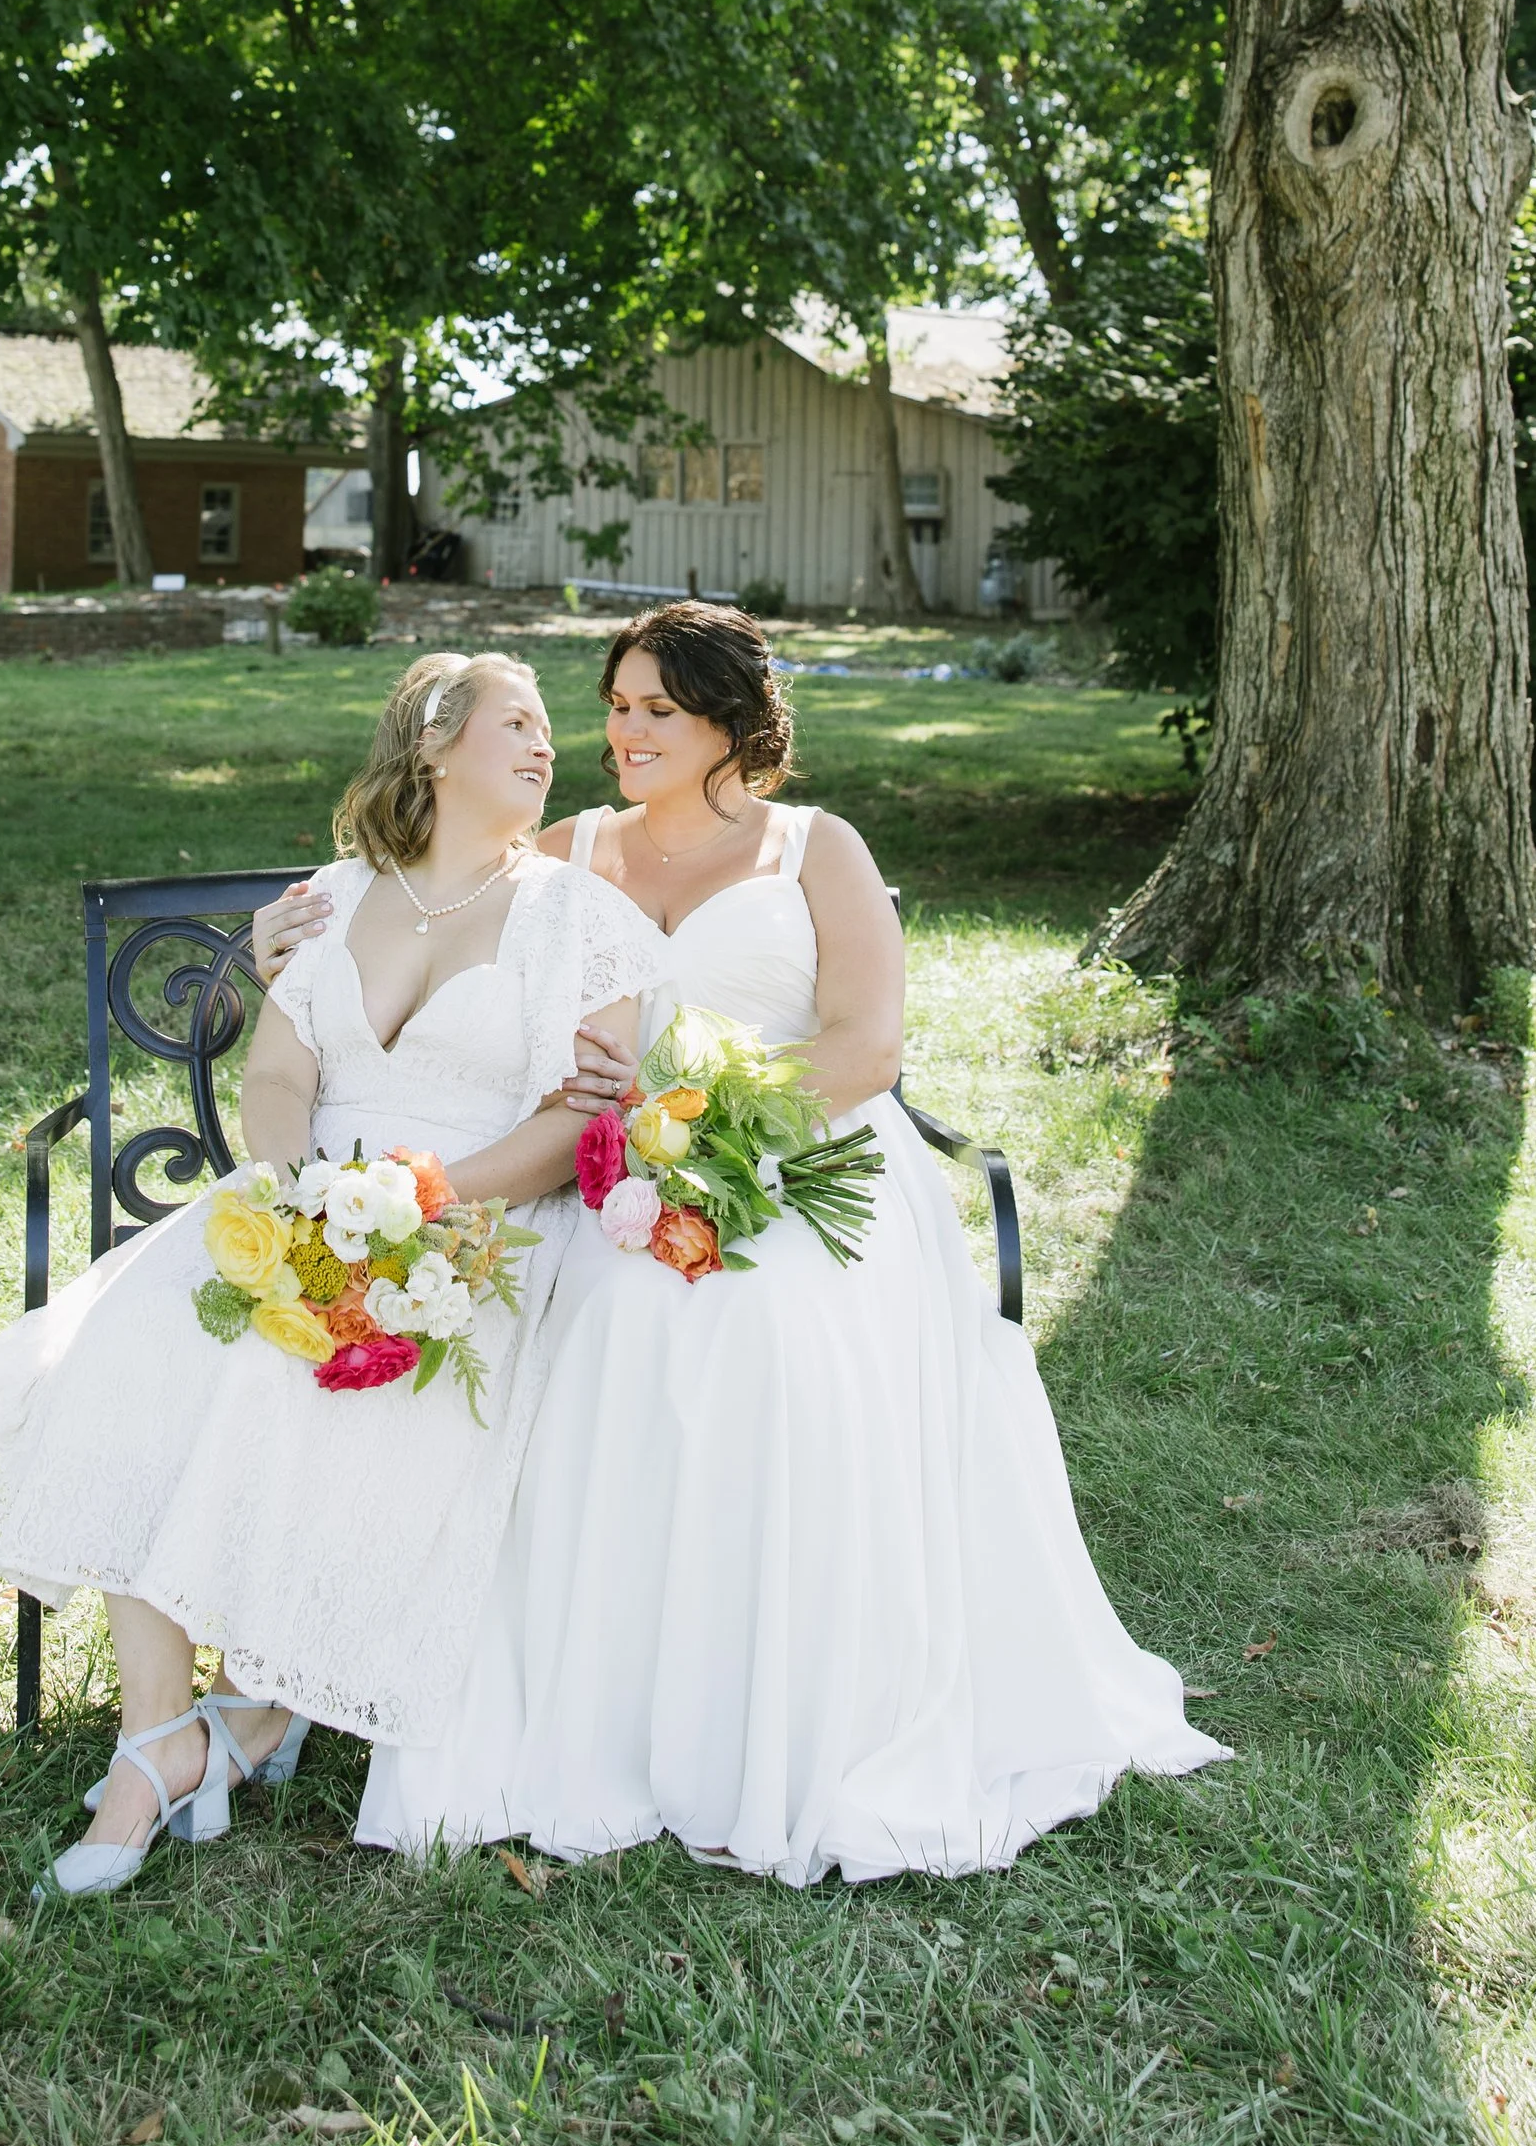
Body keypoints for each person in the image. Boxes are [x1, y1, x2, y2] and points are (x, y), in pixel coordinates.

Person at [254, 599, 1222, 1885]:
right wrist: (278, 941)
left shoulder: (814, 848)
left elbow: (865, 1047)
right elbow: (424, 895)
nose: (622, 731)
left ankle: (773, 1722)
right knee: (597, 1317)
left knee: (766, 1330)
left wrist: (707, 1128)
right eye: (615, 707)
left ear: (728, 722)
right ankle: (594, 1716)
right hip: (621, 1174)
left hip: (802, 1158)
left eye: (656, 709)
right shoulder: (571, 846)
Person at [0, 649, 665, 1896]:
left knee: (304, 1376)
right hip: (298, 1202)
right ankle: (165, 1735)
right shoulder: (335, 897)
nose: (548, 745)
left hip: (470, 1231)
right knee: (148, 1350)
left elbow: (574, 1124)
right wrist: (290, 1203)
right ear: (435, 745)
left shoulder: (582, 921)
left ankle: (245, 1716)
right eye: (518, 722)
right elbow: (280, 1077)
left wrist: (422, 1210)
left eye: (552, 727)